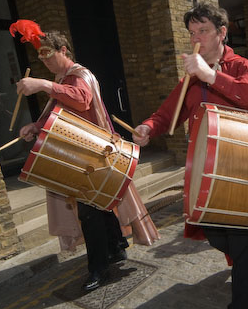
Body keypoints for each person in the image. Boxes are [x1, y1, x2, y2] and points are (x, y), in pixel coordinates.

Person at [132, 2, 248, 309]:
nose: (195, 38)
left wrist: (212, 75)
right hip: (204, 168)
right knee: (217, 233)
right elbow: (168, 111)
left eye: (202, 31)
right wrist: (147, 127)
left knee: (242, 242)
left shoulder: (240, 66)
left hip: (241, 169)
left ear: (221, 33)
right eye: (192, 32)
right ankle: (239, 269)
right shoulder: (190, 75)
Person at [13, 25, 159, 292]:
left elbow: (81, 100)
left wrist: (44, 84)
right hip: (83, 155)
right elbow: (60, 111)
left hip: (93, 154)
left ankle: (98, 268)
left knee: (90, 213)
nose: (44, 61)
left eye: (48, 54)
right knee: (99, 207)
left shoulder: (79, 75)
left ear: (63, 50)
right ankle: (116, 248)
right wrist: (36, 126)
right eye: (40, 57)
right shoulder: (63, 78)